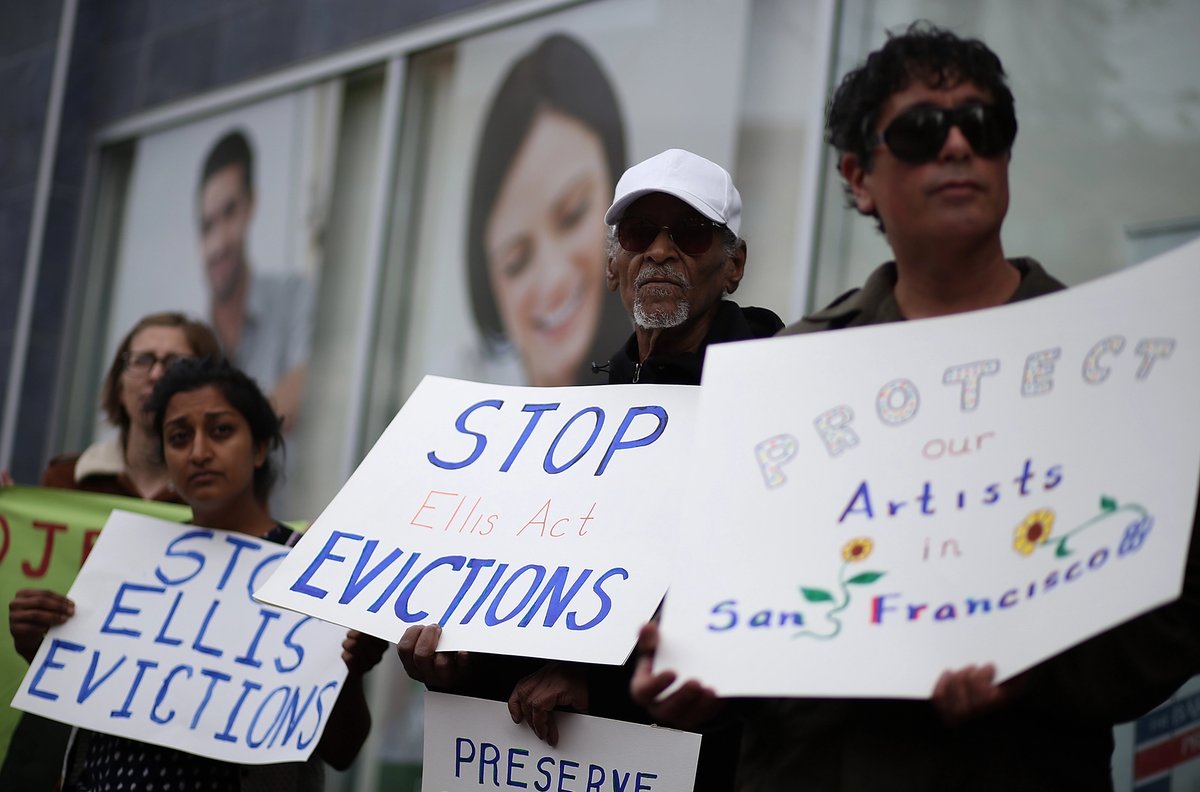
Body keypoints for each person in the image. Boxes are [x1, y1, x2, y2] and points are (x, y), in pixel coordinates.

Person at [631, 22, 1200, 791]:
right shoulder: (786, 376)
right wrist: (701, 673)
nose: (959, 146)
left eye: (985, 126)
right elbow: (741, 604)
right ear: (859, 176)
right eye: (923, 131)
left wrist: (1039, 665)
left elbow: (1171, 616)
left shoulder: (1109, 366)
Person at [401, 148, 782, 791]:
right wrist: (461, 665)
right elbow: (541, 599)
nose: (660, 251)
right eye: (638, 234)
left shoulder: (781, 395)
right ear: (613, 265)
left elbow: (770, 592)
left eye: (689, 233)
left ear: (734, 265)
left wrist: (601, 678)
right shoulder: (572, 424)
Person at [9, 359, 386, 789]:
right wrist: (38, 645)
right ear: (166, 459)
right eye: (179, 437)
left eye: (221, 430)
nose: (199, 452)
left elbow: (342, 750)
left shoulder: (306, 569)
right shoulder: (128, 559)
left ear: (261, 447)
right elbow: (89, 699)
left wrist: (349, 670)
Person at [1, 312, 221, 789]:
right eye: (142, 360)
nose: (157, 374)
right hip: (55, 735)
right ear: (119, 382)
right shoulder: (62, 481)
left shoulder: (221, 503)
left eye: (176, 362)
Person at [466, 33, 632, 387]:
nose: (553, 278)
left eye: (573, 215)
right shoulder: (467, 417)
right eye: (516, 261)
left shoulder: (673, 385)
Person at [198, 130, 312, 431]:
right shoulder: (191, 341)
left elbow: (309, 383)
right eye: (207, 225)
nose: (218, 242)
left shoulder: (294, 298)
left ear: (251, 205)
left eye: (229, 212)